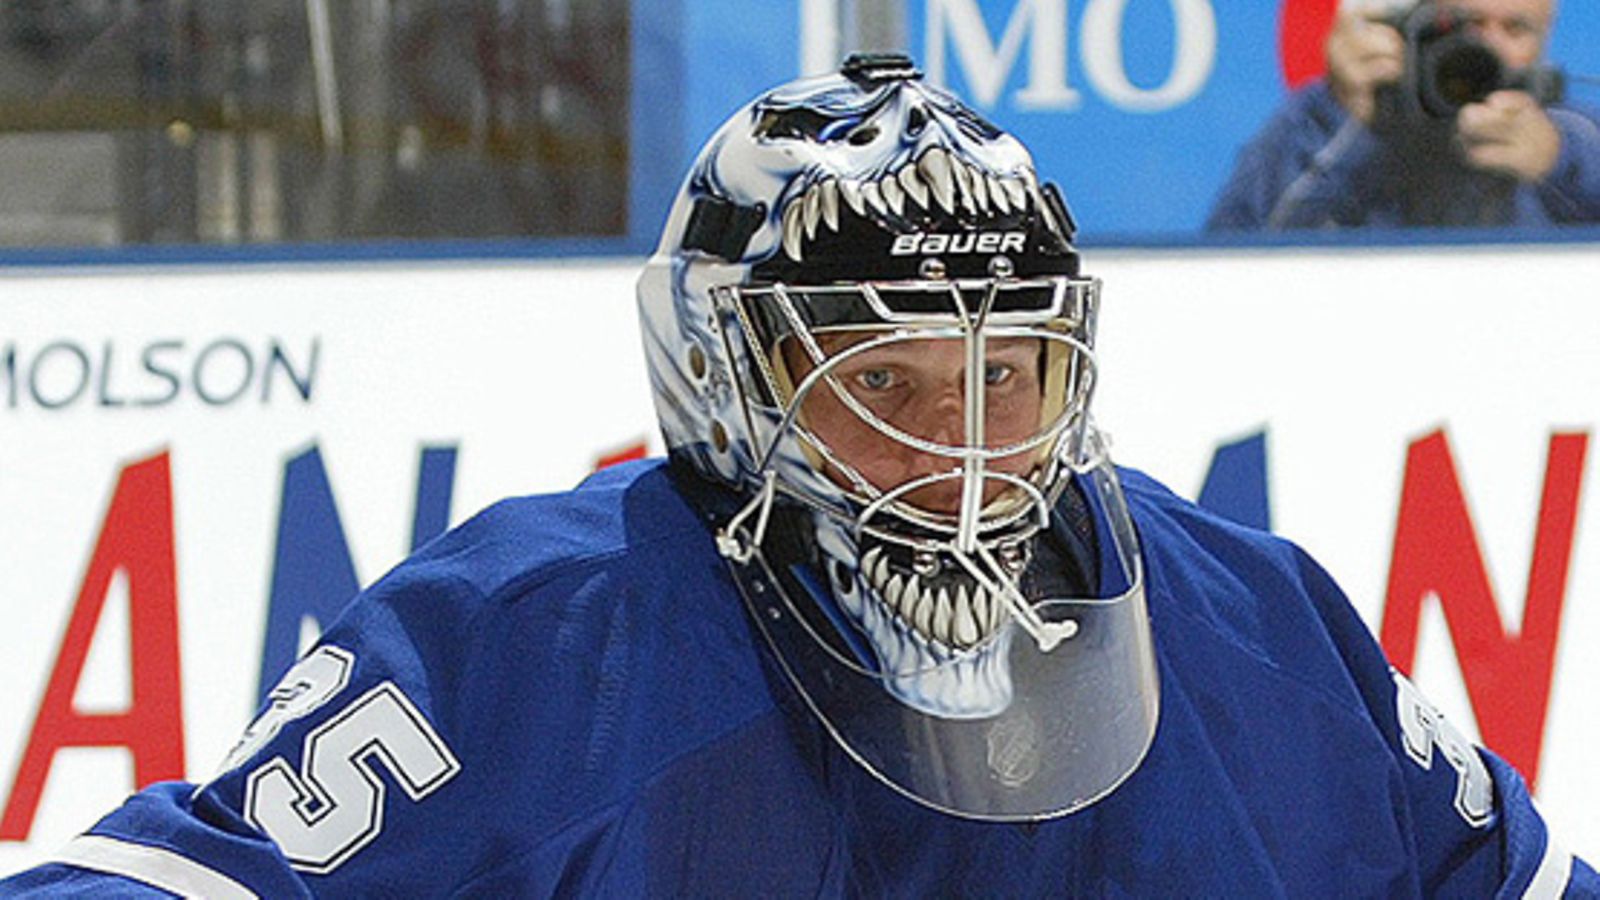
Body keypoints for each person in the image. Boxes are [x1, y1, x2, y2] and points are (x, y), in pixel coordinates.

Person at [2, 53, 1594, 896]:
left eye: (1003, 376)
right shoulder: (542, 643)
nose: (959, 456)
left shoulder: (1256, 629)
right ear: (725, 382)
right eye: (879, 387)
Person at [1206, 0, 1600, 230]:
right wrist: (1348, 115)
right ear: (1422, 22)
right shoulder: (1329, 115)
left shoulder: (1567, 130)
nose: (1488, 47)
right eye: (1469, 23)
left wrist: (1555, 158)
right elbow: (1230, 261)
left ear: (1546, 38)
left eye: (1515, 28)